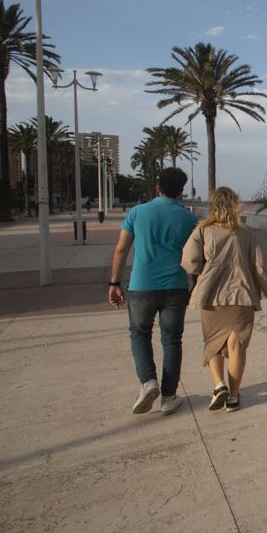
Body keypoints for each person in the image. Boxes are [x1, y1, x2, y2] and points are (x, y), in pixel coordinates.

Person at [108, 167, 198, 416]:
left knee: (139, 333)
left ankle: (148, 382)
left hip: (141, 286)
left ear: (157, 187)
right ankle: (169, 397)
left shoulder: (137, 212)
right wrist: (196, 283)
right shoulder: (189, 219)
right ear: (181, 191)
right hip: (175, 287)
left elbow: (120, 250)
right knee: (171, 339)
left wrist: (114, 283)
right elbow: (196, 257)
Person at [181, 187, 267, 412]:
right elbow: (261, 267)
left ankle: (218, 386)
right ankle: (233, 397)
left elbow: (188, 262)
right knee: (236, 346)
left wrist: (203, 270)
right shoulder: (245, 233)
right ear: (236, 205)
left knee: (214, 343)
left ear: (213, 206)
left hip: (212, 296)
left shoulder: (202, 231)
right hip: (241, 295)